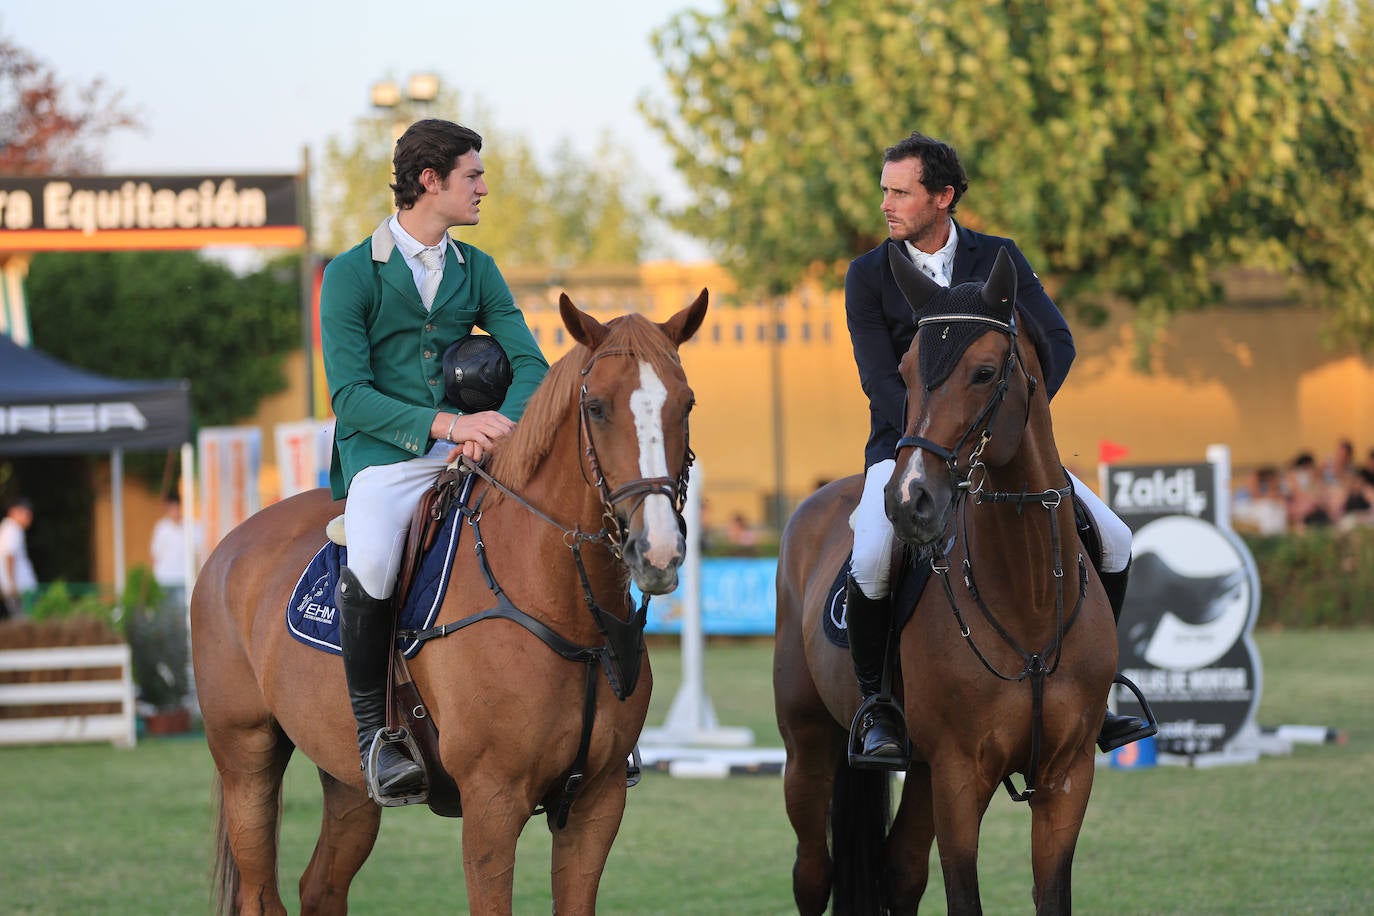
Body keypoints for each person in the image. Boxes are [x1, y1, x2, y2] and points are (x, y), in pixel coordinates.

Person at [842, 131, 1148, 766]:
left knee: (1115, 539)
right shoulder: (868, 275)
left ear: (943, 196)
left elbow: (1056, 344)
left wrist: (1007, 430)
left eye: (900, 192)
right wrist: (939, 441)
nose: (886, 205)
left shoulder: (1000, 257)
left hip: (1004, 450)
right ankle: (877, 706)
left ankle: (1100, 693)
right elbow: (878, 378)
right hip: (909, 452)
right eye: (884, 191)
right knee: (872, 555)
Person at [319, 118, 549, 800]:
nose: (484, 188)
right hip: (385, 459)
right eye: (472, 176)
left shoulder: (477, 269)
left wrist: (498, 427)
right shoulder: (351, 274)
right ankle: (375, 736)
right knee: (376, 559)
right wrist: (450, 424)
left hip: (477, 448)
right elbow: (350, 398)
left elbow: (532, 361)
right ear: (430, 181)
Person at [149, 492, 190, 610]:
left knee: (182, 613)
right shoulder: (161, 528)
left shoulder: (190, 527)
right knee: (165, 614)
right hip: (164, 579)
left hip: (183, 579)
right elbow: (155, 554)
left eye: (176, 507)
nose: (174, 510)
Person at [0, 498, 37, 620]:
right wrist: (12, 585)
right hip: (19, 590)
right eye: (26, 514)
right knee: (24, 621)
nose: (29, 519)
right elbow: (9, 555)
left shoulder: (8, 529)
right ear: (13, 512)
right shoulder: (12, 529)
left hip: (17, 588)